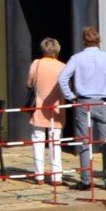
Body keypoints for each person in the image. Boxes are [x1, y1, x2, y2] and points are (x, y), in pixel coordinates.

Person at [59, 25, 106, 190]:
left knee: (85, 141)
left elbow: (62, 78)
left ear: (84, 41)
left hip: (83, 102)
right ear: (99, 40)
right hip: (103, 101)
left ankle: (86, 179)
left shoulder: (77, 58)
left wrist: (71, 96)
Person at [25, 36, 66, 186]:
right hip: (57, 107)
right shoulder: (63, 66)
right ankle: (56, 177)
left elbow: (29, 82)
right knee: (56, 142)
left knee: (38, 140)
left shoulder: (37, 63)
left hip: (39, 107)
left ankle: (39, 175)